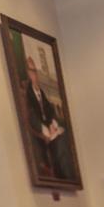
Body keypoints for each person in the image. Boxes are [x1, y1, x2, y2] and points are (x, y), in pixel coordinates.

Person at [20, 52, 78, 185]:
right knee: (59, 143)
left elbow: (50, 110)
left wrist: (53, 123)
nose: (34, 74)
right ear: (27, 73)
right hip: (41, 133)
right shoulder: (27, 94)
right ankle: (64, 174)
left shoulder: (41, 93)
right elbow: (31, 116)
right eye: (31, 71)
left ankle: (68, 174)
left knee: (64, 134)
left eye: (35, 70)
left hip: (50, 129)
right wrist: (45, 130)